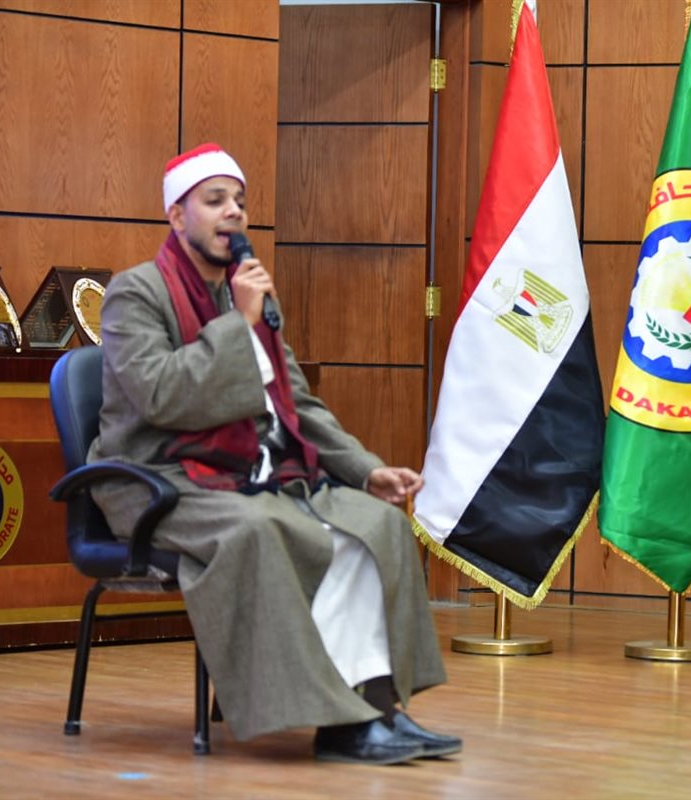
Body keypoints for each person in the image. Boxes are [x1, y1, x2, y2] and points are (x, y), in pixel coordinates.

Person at [89, 143, 459, 765]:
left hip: (245, 471)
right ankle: (340, 721)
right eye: (215, 201)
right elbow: (160, 396)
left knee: (376, 526)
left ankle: (376, 711)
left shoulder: (251, 295)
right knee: (268, 530)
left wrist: (364, 469)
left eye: (239, 200)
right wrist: (239, 321)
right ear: (177, 216)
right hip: (157, 478)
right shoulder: (136, 293)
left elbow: (296, 404)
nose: (233, 212)